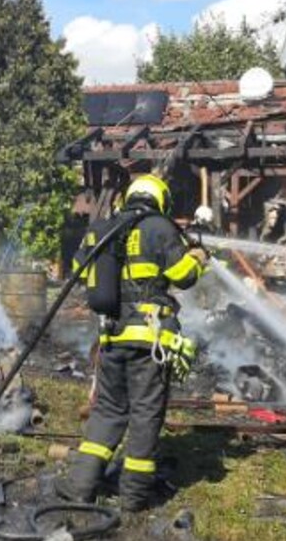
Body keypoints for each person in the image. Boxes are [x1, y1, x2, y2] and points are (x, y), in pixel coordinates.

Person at [57, 174, 209, 512]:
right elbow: (183, 276)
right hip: (150, 340)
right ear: (160, 199)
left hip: (112, 335)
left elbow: (82, 272)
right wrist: (199, 257)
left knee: (109, 410)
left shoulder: (105, 228)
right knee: (145, 413)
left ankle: (80, 485)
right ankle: (134, 496)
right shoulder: (159, 227)